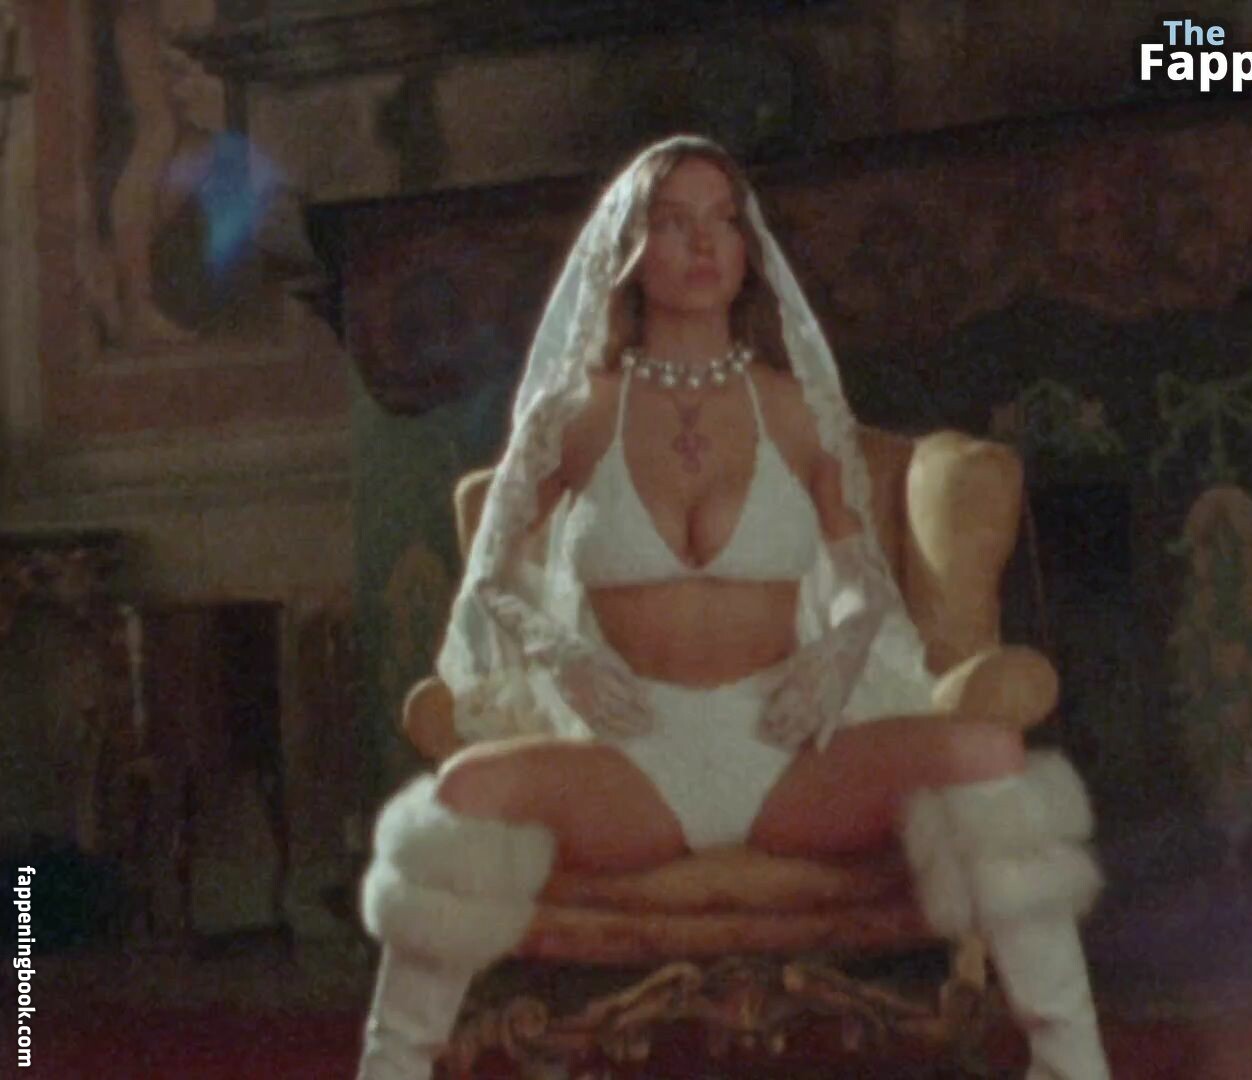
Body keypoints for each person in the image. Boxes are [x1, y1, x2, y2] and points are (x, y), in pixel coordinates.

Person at [358, 135, 1111, 1080]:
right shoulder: (578, 414)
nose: (705, 243)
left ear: (749, 249)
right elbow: (493, 578)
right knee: (466, 793)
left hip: (787, 751)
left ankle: (1073, 1065)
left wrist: (840, 650)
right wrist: (560, 654)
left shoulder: (795, 410)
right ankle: (389, 1070)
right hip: (632, 758)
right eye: (675, 223)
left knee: (989, 755)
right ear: (630, 250)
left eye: (723, 221)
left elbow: (861, 577)